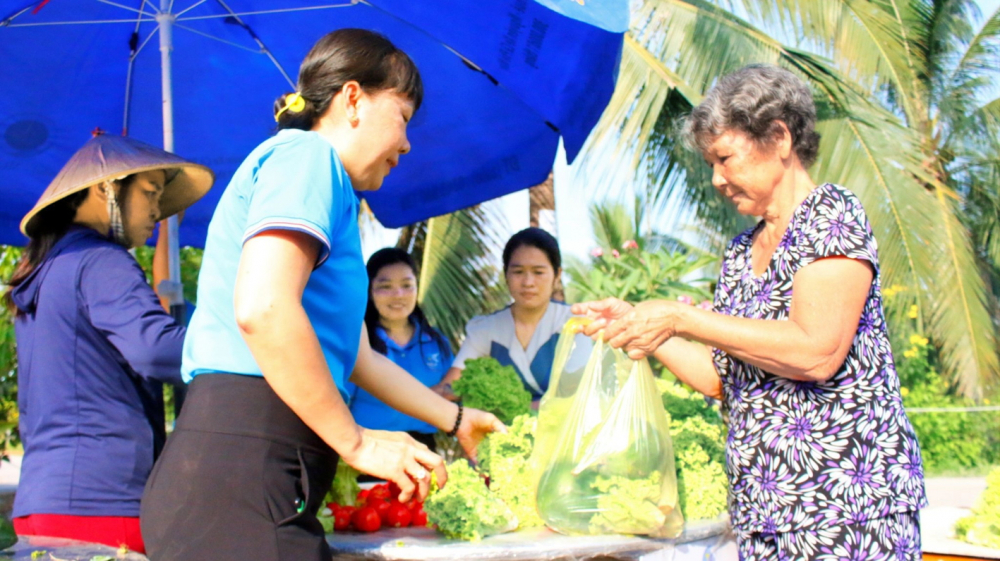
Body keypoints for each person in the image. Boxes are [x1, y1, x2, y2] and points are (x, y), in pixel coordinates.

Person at [139, 29, 504, 561]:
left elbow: (355, 358)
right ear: (352, 98)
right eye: (403, 117)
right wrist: (354, 441)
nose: (406, 143)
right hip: (241, 472)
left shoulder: (330, 193)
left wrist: (454, 419)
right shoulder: (307, 157)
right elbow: (263, 309)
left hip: (252, 477)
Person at [573, 64, 926, 560]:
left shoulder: (831, 215)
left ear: (779, 138)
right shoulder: (741, 254)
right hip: (765, 517)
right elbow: (723, 377)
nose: (716, 178)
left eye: (725, 158)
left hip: (844, 510)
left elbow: (816, 352)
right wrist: (642, 324)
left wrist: (682, 317)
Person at [4, 133, 213, 553]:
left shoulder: (45, 267)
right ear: (106, 188)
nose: (157, 210)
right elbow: (155, 350)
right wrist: (245, 341)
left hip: (42, 502)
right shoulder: (102, 260)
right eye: (150, 192)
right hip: (102, 504)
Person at [434, 227, 588, 402]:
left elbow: (581, 395)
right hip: (500, 429)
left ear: (557, 274)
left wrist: (525, 411)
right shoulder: (487, 328)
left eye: (538, 272)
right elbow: (452, 387)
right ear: (506, 274)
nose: (528, 282)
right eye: (518, 272)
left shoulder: (575, 323)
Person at [345, 248, 453, 454]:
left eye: (407, 285)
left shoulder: (437, 343)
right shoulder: (358, 343)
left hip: (425, 450)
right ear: (369, 290)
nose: (398, 295)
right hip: (371, 451)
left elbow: (454, 389)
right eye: (385, 287)